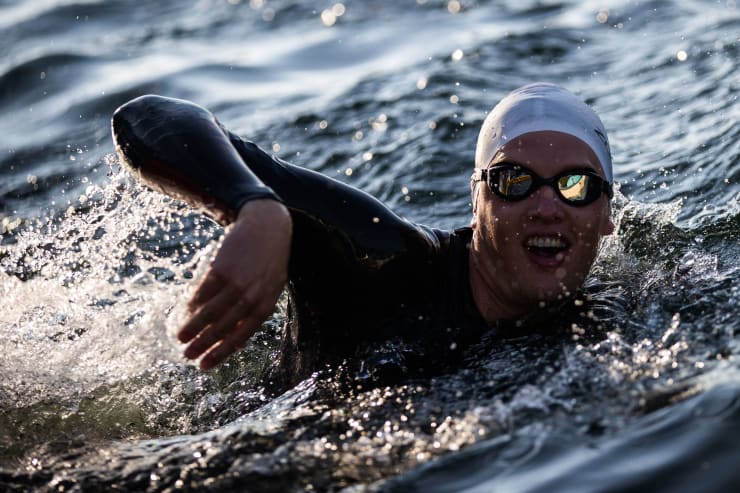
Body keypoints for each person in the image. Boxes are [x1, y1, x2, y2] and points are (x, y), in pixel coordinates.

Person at [111, 83, 615, 389]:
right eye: (515, 182)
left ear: (607, 214)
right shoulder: (382, 261)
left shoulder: (608, 322)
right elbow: (148, 116)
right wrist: (257, 208)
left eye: (577, 185)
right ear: (476, 201)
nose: (547, 207)